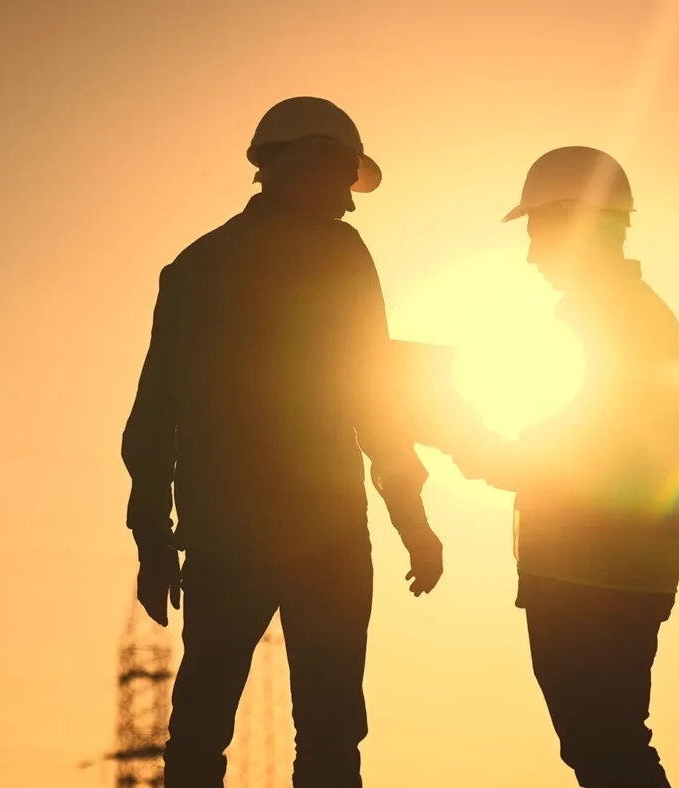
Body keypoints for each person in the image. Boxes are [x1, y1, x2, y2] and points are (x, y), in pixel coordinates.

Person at [120, 96, 443, 788]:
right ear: (309, 163)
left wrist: (152, 538)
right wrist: (412, 521)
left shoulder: (193, 269)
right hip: (324, 537)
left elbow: (153, 418)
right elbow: (375, 397)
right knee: (329, 736)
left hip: (222, 536)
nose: (352, 207)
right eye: (343, 182)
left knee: (200, 728)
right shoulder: (342, 258)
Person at [444, 146, 679, 788]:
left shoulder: (605, 317)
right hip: (621, 569)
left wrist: (472, 444)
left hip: (587, 571)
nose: (532, 255)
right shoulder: (634, 315)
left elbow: (585, 455)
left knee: (604, 747)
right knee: (609, 743)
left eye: (538, 231)